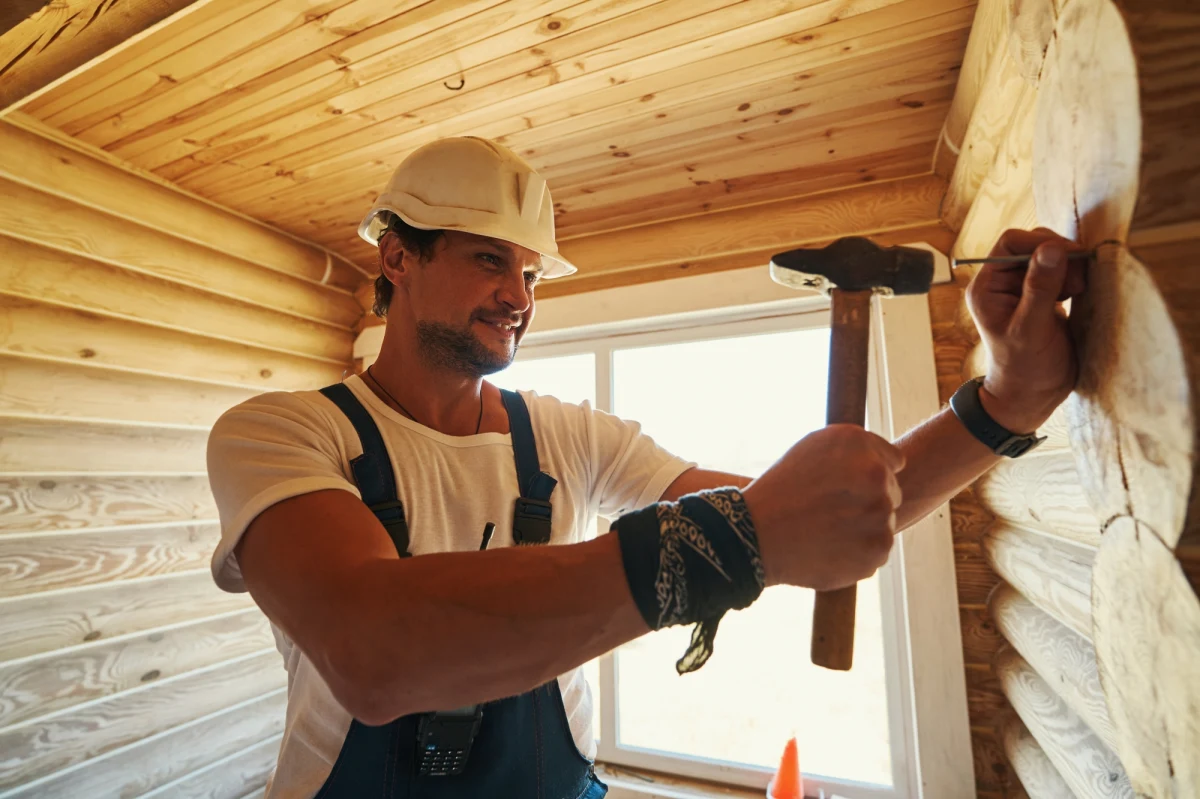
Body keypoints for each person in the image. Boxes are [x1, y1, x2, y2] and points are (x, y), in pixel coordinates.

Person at [206, 137, 1086, 798]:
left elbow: (817, 515)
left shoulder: (567, 437)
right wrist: (725, 543)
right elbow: (373, 652)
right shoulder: (283, 435)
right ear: (398, 256)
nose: (519, 297)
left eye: (531, 273)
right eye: (488, 259)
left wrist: (1006, 401)